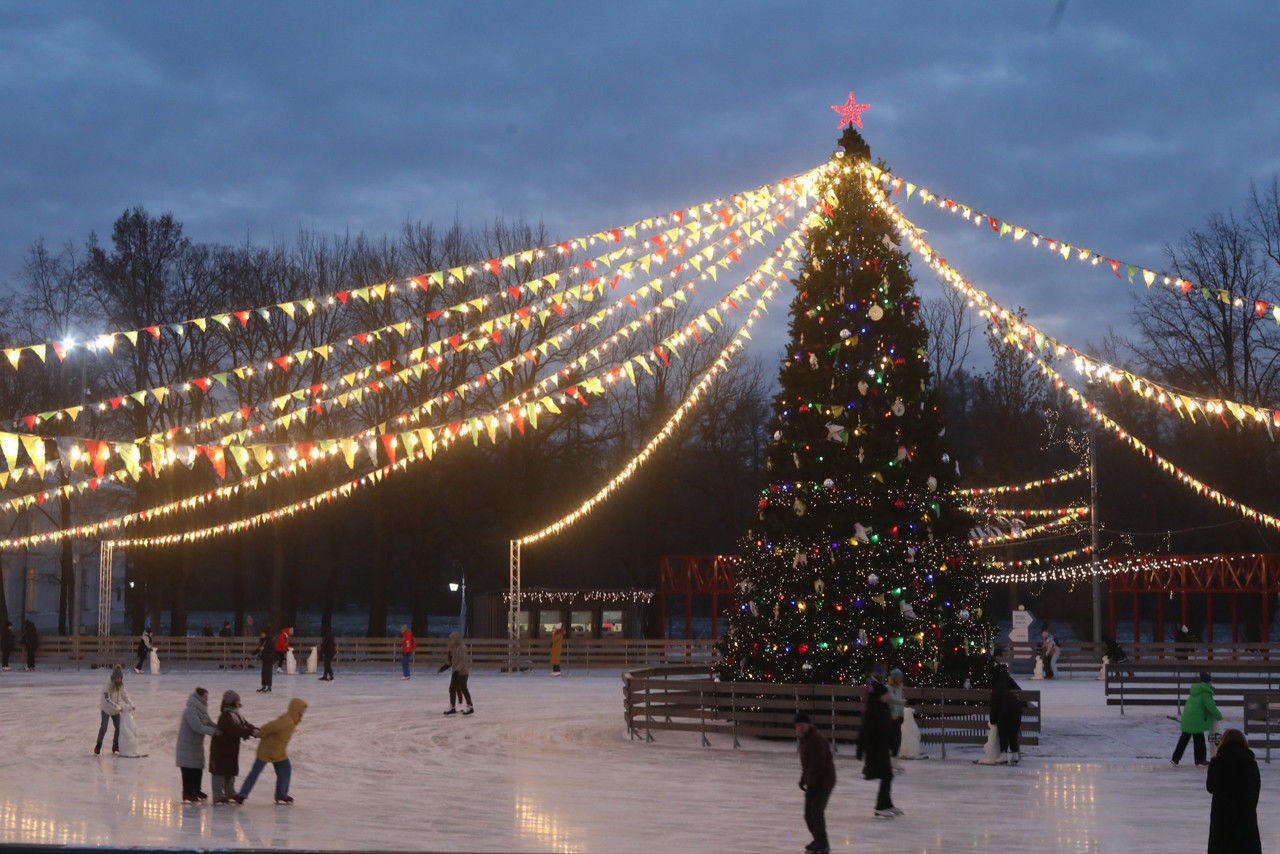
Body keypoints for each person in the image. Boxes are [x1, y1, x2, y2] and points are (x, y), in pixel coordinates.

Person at [236, 697, 306, 805]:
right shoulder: (287, 721)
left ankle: (281, 795)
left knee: (286, 770)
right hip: (267, 750)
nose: (303, 712)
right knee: (255, 772)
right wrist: (259, 733)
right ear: (295, 708)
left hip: (279, 752)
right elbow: (270, 727)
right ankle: (242, 795)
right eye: (302, 709)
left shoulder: (292, 720)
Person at [1206, 728, 1261, 853]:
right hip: (1246, 821)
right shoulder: (1250, 764)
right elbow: (1255, 792)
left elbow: (1210, 787)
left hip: (1221, 821)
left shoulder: (1217, 763)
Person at [856, 682, 899, 818]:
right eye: (886, 694)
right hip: (875, 750)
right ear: (881, 695)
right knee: (887, 775)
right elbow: (864, 731)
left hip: (882, 748)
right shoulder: (873, 710)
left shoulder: (883, 707)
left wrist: (892, 745)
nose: (888, 696)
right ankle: (881, 806)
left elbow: (889, 728)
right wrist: (860, 749)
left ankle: (886, 803)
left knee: (888, 775)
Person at [795, 712, 836, 854]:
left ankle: (823, 843)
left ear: (808, 725)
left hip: (824, 782)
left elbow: (818, 766)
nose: (800, 728)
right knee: (808, 814)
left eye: (802, 725)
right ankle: (818, 840)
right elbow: (807, 765)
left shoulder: (817, 740)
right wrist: (803, 779)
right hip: (813, 781)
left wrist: (811, 784)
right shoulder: (805, 740)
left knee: (816, 812)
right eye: (797, 726)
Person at [209, 690, 257, 805]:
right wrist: (250, 732)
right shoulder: (225, 716)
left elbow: (245, 724)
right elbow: (235, 730)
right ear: (233, 702)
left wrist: (254, 729)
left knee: (230, 771)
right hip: (220, 749)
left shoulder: (236, 714)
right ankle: (218, 795)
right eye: (237, 700)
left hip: (231, 748)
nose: (239, 702)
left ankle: (230, 792)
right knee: (219, 772)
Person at [176, 686, 219, 803]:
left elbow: (209, 723)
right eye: (205, 697)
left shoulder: (202, 710)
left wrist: (220, 728)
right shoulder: (190, 710)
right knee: (188, 770)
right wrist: (215, 732)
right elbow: (197, 727)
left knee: (197, 768)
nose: (206, 700)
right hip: (186, 746)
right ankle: (187, 792)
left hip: (195, 746)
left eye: (207, 697)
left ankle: (196, 790)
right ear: (199, 697)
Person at [1173, 671, 1223, 767]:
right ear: (1208, 682)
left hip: (1189, 717)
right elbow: (1210, 706)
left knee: (1187, 738)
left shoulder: (1196, 690)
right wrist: (1219, 716)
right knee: (1198, 739)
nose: (1211, 683)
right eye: (1210, 681)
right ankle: (1200, 759)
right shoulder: (1205, 692)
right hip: (1196, 719)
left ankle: (1176, 758)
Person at [989, 664, 1024, 765]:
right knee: (1013, 733)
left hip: (1004, 712)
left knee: (1003, 732)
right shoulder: (1008, 680)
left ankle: (1003, 755)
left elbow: (994, 706)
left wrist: (993, 720)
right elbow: (1020, 691)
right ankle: (1015, 754)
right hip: (1016, 711)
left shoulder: (996, 687)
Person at [95, 665, 132, 755]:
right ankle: (98, 745)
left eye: (121, 678)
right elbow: (108, 700)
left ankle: (115, 745)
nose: (120, 680)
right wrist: (118, 707)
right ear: (114, 678)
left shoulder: (121, 685)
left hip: (115, 710)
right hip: (106, 709)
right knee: (104, 728)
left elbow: (124, 695)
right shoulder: (108, 685)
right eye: (118, 678)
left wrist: (131, 704)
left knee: (119, 727)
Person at [439, 631, 473, 715]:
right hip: (456, 672)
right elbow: (451, 661)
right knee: (452, 689)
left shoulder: (462, 647)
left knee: (464, 689)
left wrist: (457, 670)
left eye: (451, 639)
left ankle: (470, 706)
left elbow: (462, 661)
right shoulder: (454, 648)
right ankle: (452, 707)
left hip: (462, 672)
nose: (450, 641)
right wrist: (443, 668)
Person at [885, 668, 906, 768]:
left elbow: (900, 703)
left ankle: (894, 761)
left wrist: (902, 715)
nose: (901, 679)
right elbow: (891, 699)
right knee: (889, 740)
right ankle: (886, 761)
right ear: (894, 678)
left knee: (897, 739)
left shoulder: (900, 688)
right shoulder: (888, 687)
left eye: (901, 677)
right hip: (888, 718)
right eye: (899, 677)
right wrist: (903, 702)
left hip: (896, 718)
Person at [254, 628, 274, 693]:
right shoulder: (262, 640)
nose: (261, 634)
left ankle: (269, 687)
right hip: (264, 658)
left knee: (268, 672)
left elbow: (272, 650)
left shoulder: (270, 640)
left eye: (263, 633)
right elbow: (260, 648)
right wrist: (253, 653)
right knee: (264, 673)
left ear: (266, 634)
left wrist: (264, 649)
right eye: (261, 633)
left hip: (269, 658)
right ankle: (263, 686)